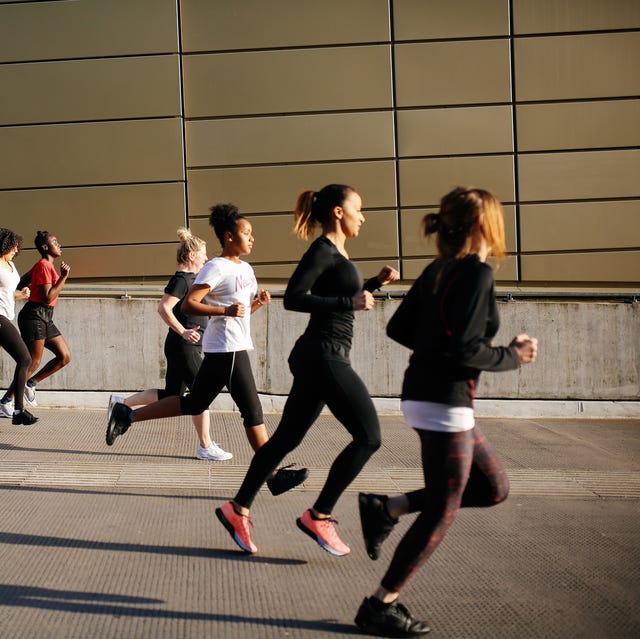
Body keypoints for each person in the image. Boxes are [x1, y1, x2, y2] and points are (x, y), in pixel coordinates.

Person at [353, 187, 539, 638]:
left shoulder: (441, 269)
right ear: (483, 225)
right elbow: (465, 349)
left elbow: (400, 327)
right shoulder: (474, 274)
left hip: (427, 397)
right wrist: (513, 355)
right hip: (444, 404)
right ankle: (382, 604)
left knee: (494, 487)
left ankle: (388, 507)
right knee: (443, 509)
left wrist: (440, 350)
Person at [215, 183, 399, 556]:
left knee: (285, 440)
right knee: (369, 436)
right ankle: (320, 515)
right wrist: (350, 298)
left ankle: (237, 510)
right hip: (323, 354)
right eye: (357, 209)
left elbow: (342, 297)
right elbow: (296, 297)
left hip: (321, 355)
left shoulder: (339, 254)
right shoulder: (322, 250)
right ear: (337, 212)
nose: (362, 217)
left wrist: (374, 285)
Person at [106, 204, 308, 494]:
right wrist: (225, 310)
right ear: (228, 236)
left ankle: (128, 415)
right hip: (227, 348)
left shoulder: (246, 268)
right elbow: (189, 303)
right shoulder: (216, 266)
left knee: (194, 402)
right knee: (252, 410)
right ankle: (273, 475)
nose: (252, 238)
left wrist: (256, 304)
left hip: (231, 346)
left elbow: (240, 313)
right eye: (246, 233)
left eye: (252, 233)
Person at [108, 227, 232, 461]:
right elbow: (163, 307)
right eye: (203, 254)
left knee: (172, 394)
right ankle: (205, 446)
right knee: (201, 394)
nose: (206, 258)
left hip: (181, 346)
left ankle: (122, 404)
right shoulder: (182, 280)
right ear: (191, 255)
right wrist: (184, 331)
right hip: (184, 346)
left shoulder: (191, 280)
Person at [1, 230, 71, 410]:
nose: (59, 244)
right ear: (46, 247)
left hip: (46, 316)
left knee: (64, 356)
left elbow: (23, 279)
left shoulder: (43, 266)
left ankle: (30, 384)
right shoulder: (43, 266)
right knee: (31, 361)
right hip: (35, 316)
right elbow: (48, 297)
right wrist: (63, 277)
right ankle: (6, 402)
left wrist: (21, 291)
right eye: (55, 242)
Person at [0, 228, 38, 425]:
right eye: (13, 245)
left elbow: (7, 293)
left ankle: (16, 410)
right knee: (25, 359)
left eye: (17, 246)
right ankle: (18, 411)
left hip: (6, 316)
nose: (16, 249)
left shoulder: (11, 265)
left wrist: (21, 294)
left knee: (24, 359)